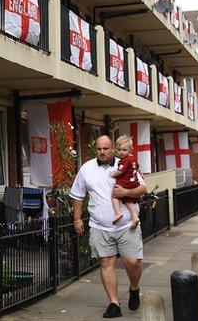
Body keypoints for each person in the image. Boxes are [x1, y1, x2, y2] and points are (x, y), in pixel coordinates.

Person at [71, 135, 148, 318]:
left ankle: (134, 287)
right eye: (99, 149)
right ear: (95, 149)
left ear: (112, 148)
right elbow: (77, 195)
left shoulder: (127, 163)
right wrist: (77, 219)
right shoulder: (86, 168)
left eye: (106, 148)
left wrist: (127, 192)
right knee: (106, 263)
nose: (102, 152)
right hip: (100, 226)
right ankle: (114, 303)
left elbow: (143, 189)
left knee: (133, 261)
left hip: (127, 224)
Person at [108, 136, 141, 230]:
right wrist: (141, 175)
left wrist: (113, 174)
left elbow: (120, 171)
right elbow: (138, 168)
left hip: (125, 182)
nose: (121, 152)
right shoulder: (133, 159)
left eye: (124, 150)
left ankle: (118, 212)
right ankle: (135, 217)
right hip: (133, 182)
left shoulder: (125, 160)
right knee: (128, 200)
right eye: (119, 150)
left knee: (114, 195)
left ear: (131, 150)